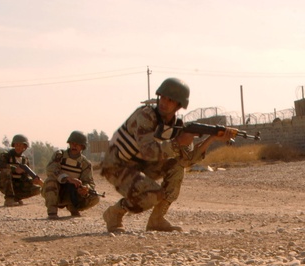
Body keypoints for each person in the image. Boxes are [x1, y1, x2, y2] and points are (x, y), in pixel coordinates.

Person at [101, 77, 237, 232]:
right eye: (163, 97)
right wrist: (177, 142)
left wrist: (212, 138)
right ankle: (114, 213)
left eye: (170, 100)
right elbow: (148, 150)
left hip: (141, 165)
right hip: (117, 166)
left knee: (177, 167)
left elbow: (187, 160)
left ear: (179, 105)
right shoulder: (145, 116)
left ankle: (156, 220)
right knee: (151, 195)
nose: (164, 102)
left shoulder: (176, 126)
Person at [43, 131, 100, 219]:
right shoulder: (60, 156)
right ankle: (52, 212)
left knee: (95, 197)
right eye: (72, 143)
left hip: (73, 193)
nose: (74, 146)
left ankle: (73, 207)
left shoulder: (85, 163)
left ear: (82, 147)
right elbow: (50, 169)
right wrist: (67, 178)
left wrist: (85, 188)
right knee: (51, 181)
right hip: (57, 192)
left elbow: (89, 182)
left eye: (77, 144)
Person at [0, 134, 42, 206]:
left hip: (17, 183)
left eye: (20, 145)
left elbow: (26, 176)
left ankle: (16, 198)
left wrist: (33, 180)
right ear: (13, 145)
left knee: (37, 189)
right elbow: (0, 165)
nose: (18, 147)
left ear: (24, 147)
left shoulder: (24, 159)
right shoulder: (6, 155)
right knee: (6, 171)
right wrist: (14, 169)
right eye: (16, 145)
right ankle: (9, 199)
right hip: (4, 182)